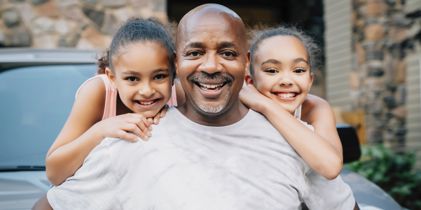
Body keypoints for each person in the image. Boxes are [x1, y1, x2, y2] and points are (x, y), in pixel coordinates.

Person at [41, 4, 357, 210]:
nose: (210, 66)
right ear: (176, 63)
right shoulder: (133, 136)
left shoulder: (293, 139)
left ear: (246, 64)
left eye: (227, 53)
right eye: (194, 53)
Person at [45, 17, 176, 186]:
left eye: (159, 76)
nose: (147, 91)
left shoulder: (177, 95)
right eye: (132, 78)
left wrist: (173, 116)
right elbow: (54, 173)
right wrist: (101, 130)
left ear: (174, 72)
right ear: (112, 77)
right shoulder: (99, 92)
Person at [240, 26, 343, 179]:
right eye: (272, 70)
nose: (287, 81)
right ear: (250, 80)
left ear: (310, 80)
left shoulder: (315, 108)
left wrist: (266, 106)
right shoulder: (240, 112)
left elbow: (331, 167)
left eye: (299, 70)